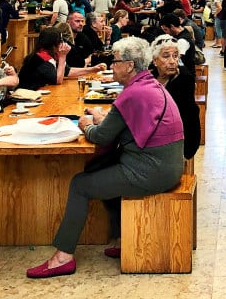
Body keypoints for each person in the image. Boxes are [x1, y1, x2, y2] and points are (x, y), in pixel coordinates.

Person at [26, 36, 184, 279]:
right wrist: (104, 121)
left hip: (150, 172)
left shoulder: (132, 94)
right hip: (169, 166)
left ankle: (62, 257)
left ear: (130, 65)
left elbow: (100, 137)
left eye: (116, 61)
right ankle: (122, 240)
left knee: (80, 184)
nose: (113, 65)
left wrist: (86, 125)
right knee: (102, 170)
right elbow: (127, 126)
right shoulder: (150, 85)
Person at [150, 35, 200, 160]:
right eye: (166, 56)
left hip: (176, 142)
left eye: (175, 56)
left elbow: (186, 118)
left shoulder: (184, 79)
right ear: (155, 60)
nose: (172, 61)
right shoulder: (149, 78)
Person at [18, 27, 106, 89]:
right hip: (28, 95)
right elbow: (58, 80)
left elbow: (67, 71)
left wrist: (92, 69)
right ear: (53, 43)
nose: (63, 43)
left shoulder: (51, 55)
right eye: (60, 41)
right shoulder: (40, 57)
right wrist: (63, 56)